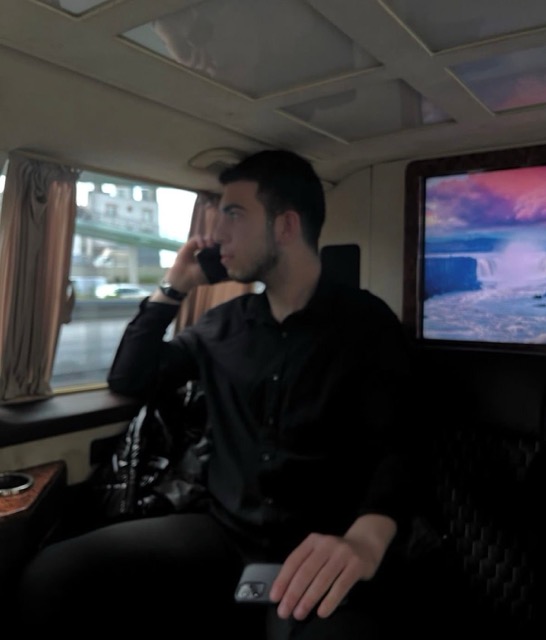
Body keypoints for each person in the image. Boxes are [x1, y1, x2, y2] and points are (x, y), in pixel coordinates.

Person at [15, 150, 422, 638]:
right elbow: (130, 379)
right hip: (223, 534)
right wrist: (176, 285)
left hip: (321, 545)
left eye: (233, 214)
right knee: (53, 577)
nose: (215, 234)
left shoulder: (366, 324)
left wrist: (366, 538)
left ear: (285, 226)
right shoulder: (222, 325)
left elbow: (401, 445)